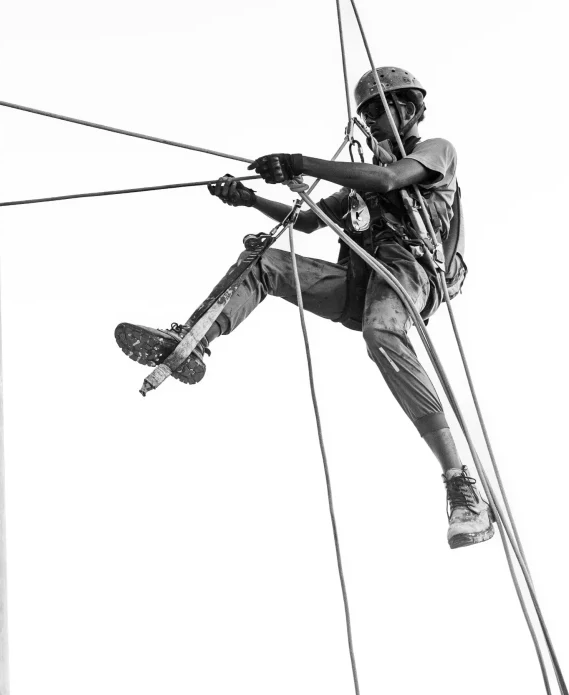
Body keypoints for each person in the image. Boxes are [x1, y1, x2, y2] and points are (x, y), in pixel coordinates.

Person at [116, 65, 493, 549]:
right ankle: (190, 341)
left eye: (381, 109)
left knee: (381, 333)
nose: (372, 120)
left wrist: (300, 162)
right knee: (265, 263)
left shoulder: (436, 151)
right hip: (361, 280)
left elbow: (388, 178)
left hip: (407, 274)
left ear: (411, 109)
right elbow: (310, 222)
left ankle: (460, 483)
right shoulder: (358, 186)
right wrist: (252, 199)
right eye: (367, 113)